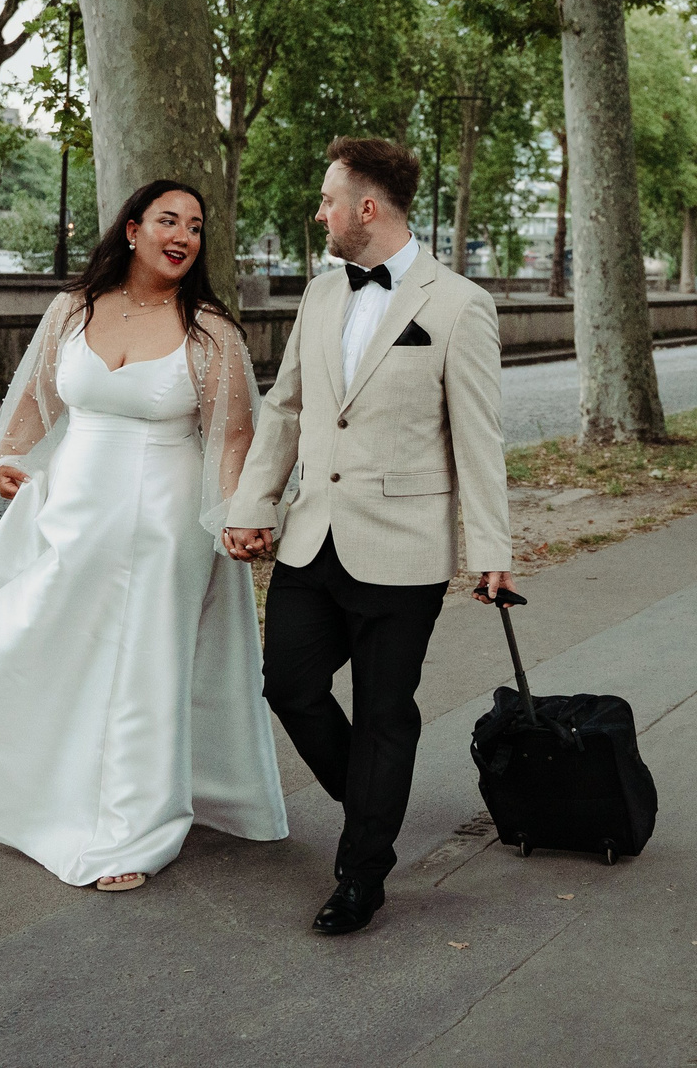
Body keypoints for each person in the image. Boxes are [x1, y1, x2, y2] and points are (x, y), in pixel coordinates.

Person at [0, 181, 287, 891]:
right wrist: (9, 465)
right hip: (70, 512)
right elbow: (32, 407)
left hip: (163, 523)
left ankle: (129, 832)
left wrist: (241, 515)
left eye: (197, 226)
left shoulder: (209, 331)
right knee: (27, 637)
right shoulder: (72, 309)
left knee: (141, 668)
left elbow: (233, 439)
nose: (184, 235)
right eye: (169, 220)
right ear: (134, 228)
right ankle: (31, 787)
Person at [223, 137, 515, 936]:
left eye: (327, 200)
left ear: (367, 207)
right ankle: (374, 798)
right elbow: (285, 408)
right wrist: (253, 503)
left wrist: (491, 552)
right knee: (287, 683)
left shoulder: (458, 304)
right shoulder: (320, 296)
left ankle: (362, 872)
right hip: (312, 537)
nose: (318, 212)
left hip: (403, 546)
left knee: (387, 712)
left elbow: (478, 439)